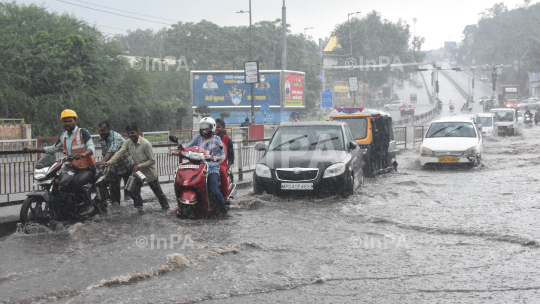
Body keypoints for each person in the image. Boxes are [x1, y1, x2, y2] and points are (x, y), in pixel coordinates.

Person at [23, 109, 96, 214]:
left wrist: (83, 154)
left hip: (87, 168)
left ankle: (89, 205)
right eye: (65, 121)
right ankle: (63, 206)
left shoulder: (82, 132)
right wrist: (33, 150)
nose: (67, 123)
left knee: (75, 182)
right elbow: (53, 148)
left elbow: (91, 147)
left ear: (75, 121)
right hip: (72, 167)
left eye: (69, 121)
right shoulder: (64, 136)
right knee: (58, 181)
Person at [104, 122, 170, 212]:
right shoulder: (128, 143)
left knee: (158, 192)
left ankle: (166, 208)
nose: (131, 135)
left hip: (149, 172)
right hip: (139, 173)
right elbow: (120, 152)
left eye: (132, 133)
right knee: (134, 190)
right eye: (129, 133)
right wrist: (109, 162)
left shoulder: (145, 144)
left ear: (138, 132)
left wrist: (139, 165)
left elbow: (152, 160)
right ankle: (139, 208)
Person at [183, 117, 231, 216]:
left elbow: (222, 154)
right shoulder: (197, 138)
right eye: (203, 128)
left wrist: (217, 158)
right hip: (198, 167)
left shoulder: (217, 139)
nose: (205, 130)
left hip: (212, 168)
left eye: (207, 128)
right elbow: (187, 148)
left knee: (214, 189)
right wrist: (180, 150)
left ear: (212, 128)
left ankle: (224, 210)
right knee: (188, 184)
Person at [95, 120, 134, 205]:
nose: (100, 132)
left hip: (126, 165)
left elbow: (112, 151)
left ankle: (133, 207)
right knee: (114, 189)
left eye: (103, 130)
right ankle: (116, 207)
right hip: (113, 167)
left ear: (109, 129)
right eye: (99, 130)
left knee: (130, 190)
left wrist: (102, 161)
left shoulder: (116, 137)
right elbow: (105, 151)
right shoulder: (101, 138)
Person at [215, 118, 235, 203]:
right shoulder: (210, 138)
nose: (216, 128)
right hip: (209, 162)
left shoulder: (227, 139)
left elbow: (231, 155)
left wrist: (227, 169)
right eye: (215, 126)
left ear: (223, 128)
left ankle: (226, 196)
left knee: (222, 171)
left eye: (218, 127)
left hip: (221, 163)